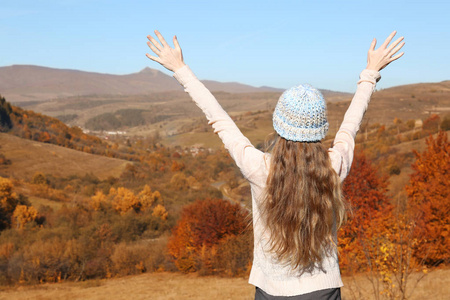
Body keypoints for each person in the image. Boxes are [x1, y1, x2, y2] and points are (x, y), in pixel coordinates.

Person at [146, 30, 405, 299]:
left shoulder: (259, 169)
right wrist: (370, 73)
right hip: (324, 291)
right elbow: (350, 127)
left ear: (278, 126)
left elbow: (219, 119)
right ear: (320, 129)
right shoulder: (333, 166)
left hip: (271, 292)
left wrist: (180, 68)